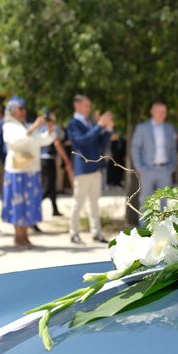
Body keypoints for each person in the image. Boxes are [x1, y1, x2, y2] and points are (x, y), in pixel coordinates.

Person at [1, 97, 55, 248]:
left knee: (28, 204)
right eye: (20, 108)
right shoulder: (9, 126)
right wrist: (34, 128)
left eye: (24, 108)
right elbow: (15, 141)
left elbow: (42, 141)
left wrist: (49, 128)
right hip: (16, 171)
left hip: (31, 170)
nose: (23, 111)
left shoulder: (27, 126)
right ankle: (18, 236)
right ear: (12, 111)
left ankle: (24, 235)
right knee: (18, 204)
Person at [67, 95, 114, 245]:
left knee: (94, 203)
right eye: (86, 105)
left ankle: (96, 232)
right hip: (83, 168)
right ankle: (73, 233)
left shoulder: (89, 123)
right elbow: (83, 141)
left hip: (95, 167)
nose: (89, 108)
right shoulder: (73, 124)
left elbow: (99, 144)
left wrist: (108, 129)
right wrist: (99, 126)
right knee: (78, 202)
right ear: (77, 105)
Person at [131, 102, 177, 209]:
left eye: (164, 112)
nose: (162, 114)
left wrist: (172, 166)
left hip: (165, 169)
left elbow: (173, 149)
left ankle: (163, 225)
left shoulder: (169, 128)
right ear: (152, 112)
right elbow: (135, 148)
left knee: (165, 201)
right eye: (160, 112)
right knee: (145, 200)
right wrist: (139, 167)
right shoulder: (142, 128)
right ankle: (144, 225)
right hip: (147, 169)